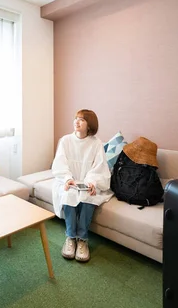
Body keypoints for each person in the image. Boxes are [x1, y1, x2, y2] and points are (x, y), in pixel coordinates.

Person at [51, 109, 114, 262]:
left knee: (88, 195)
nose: (77, 122)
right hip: (69, 181)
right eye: (76, 118)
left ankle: (83, 240)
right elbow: (60, 163)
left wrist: (91, 182)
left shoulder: (96, 143)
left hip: (88, 182)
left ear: (89, 125)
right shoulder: (65, 140)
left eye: (82, 119)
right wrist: (67, 179)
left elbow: (99, 167)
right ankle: (70, 237)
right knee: (69, 194)